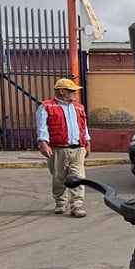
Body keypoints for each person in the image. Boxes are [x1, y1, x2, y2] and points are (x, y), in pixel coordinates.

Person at [36, 78, 91, 218]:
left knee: (78, 177)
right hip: (58, 149)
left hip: (78, 148)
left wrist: (87, 142)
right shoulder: (47, 106)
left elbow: (83, 126)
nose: (74, 94)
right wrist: (43, 142)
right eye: (71, 91)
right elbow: (42, 127)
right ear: (61, 91)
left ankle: (77, 205)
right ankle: (60, 202)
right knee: (59, 177)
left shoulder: (78, 107)